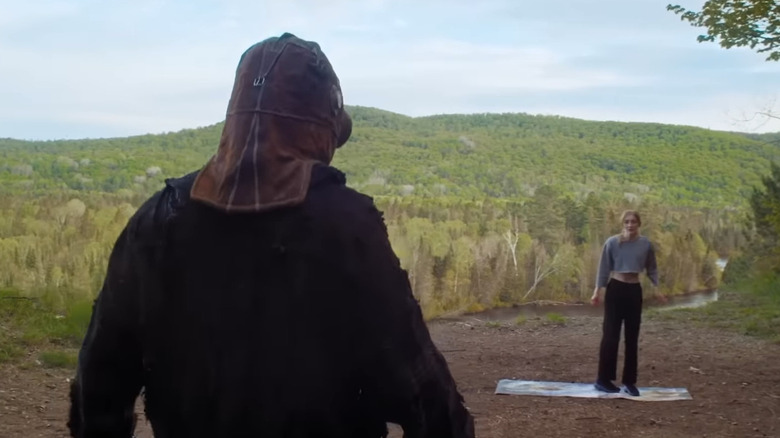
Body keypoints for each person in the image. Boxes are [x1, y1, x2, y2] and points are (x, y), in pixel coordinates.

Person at [67, 33, 474, 438]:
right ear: (318, 133)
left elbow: (100, 383)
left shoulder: (157, 220)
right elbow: (422, 390)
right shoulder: (347, 228)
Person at [590, 210, 665, 397]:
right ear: (622, 224)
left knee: (632, 337)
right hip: (615, 289)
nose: (630, 225)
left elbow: (652, 269)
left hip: (634, 291)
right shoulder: (612, 243)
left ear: (639, 224)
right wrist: (597, 291)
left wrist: (657, 289)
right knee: (610, 335)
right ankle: (603, 379)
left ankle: (629, 381)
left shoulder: (645, 244)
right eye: (626, 222)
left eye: (633, 222)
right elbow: (603, 268)